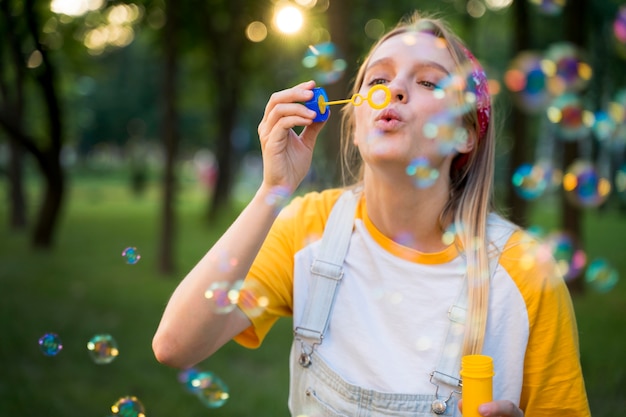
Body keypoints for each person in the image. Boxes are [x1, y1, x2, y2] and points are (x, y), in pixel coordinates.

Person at [152, 11, 591, 417]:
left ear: (465, 134)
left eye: (429, 83)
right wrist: (273, 190)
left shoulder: (526, 276)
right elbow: (176, 345)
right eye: (378, 78)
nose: (394, 88)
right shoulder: (310, 228)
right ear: (356, 124)